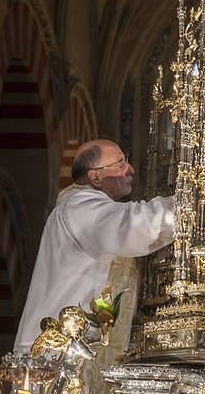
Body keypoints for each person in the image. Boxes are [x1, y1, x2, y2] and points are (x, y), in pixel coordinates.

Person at [14, 139, 175, 353]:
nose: (130, 169)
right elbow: (135, 225)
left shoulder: (94, 209)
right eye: (120, 163)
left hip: (82, 351)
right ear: (95, 177)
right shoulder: (79, 206)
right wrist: (193, 201)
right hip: (59, 351)